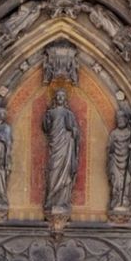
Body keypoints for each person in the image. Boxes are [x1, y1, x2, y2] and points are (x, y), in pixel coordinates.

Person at [42, 88, 80, 217]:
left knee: (65, 172)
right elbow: (46, 128)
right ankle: (51, 200)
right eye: (58, 96)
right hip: (55, 146)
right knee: (53, 171)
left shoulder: (69, 114)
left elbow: (75, 130)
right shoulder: (51, 113)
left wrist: (73, 131)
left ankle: (62, 201)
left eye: (62, 96)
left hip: (66, 147)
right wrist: (47, 118)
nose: (60, 98)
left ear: (65, 99)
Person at [107, 110, 131, 213]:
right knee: (116, 182)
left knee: (127, 180)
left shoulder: (130, 133)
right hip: (115, 162)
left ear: (126, 119)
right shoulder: (113, 134)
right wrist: (112, 152)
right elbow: (110, 149)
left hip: (126, 164)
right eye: (118, 118)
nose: (120, 120)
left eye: (122, 118)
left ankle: (124, 199)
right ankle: (117, 200)